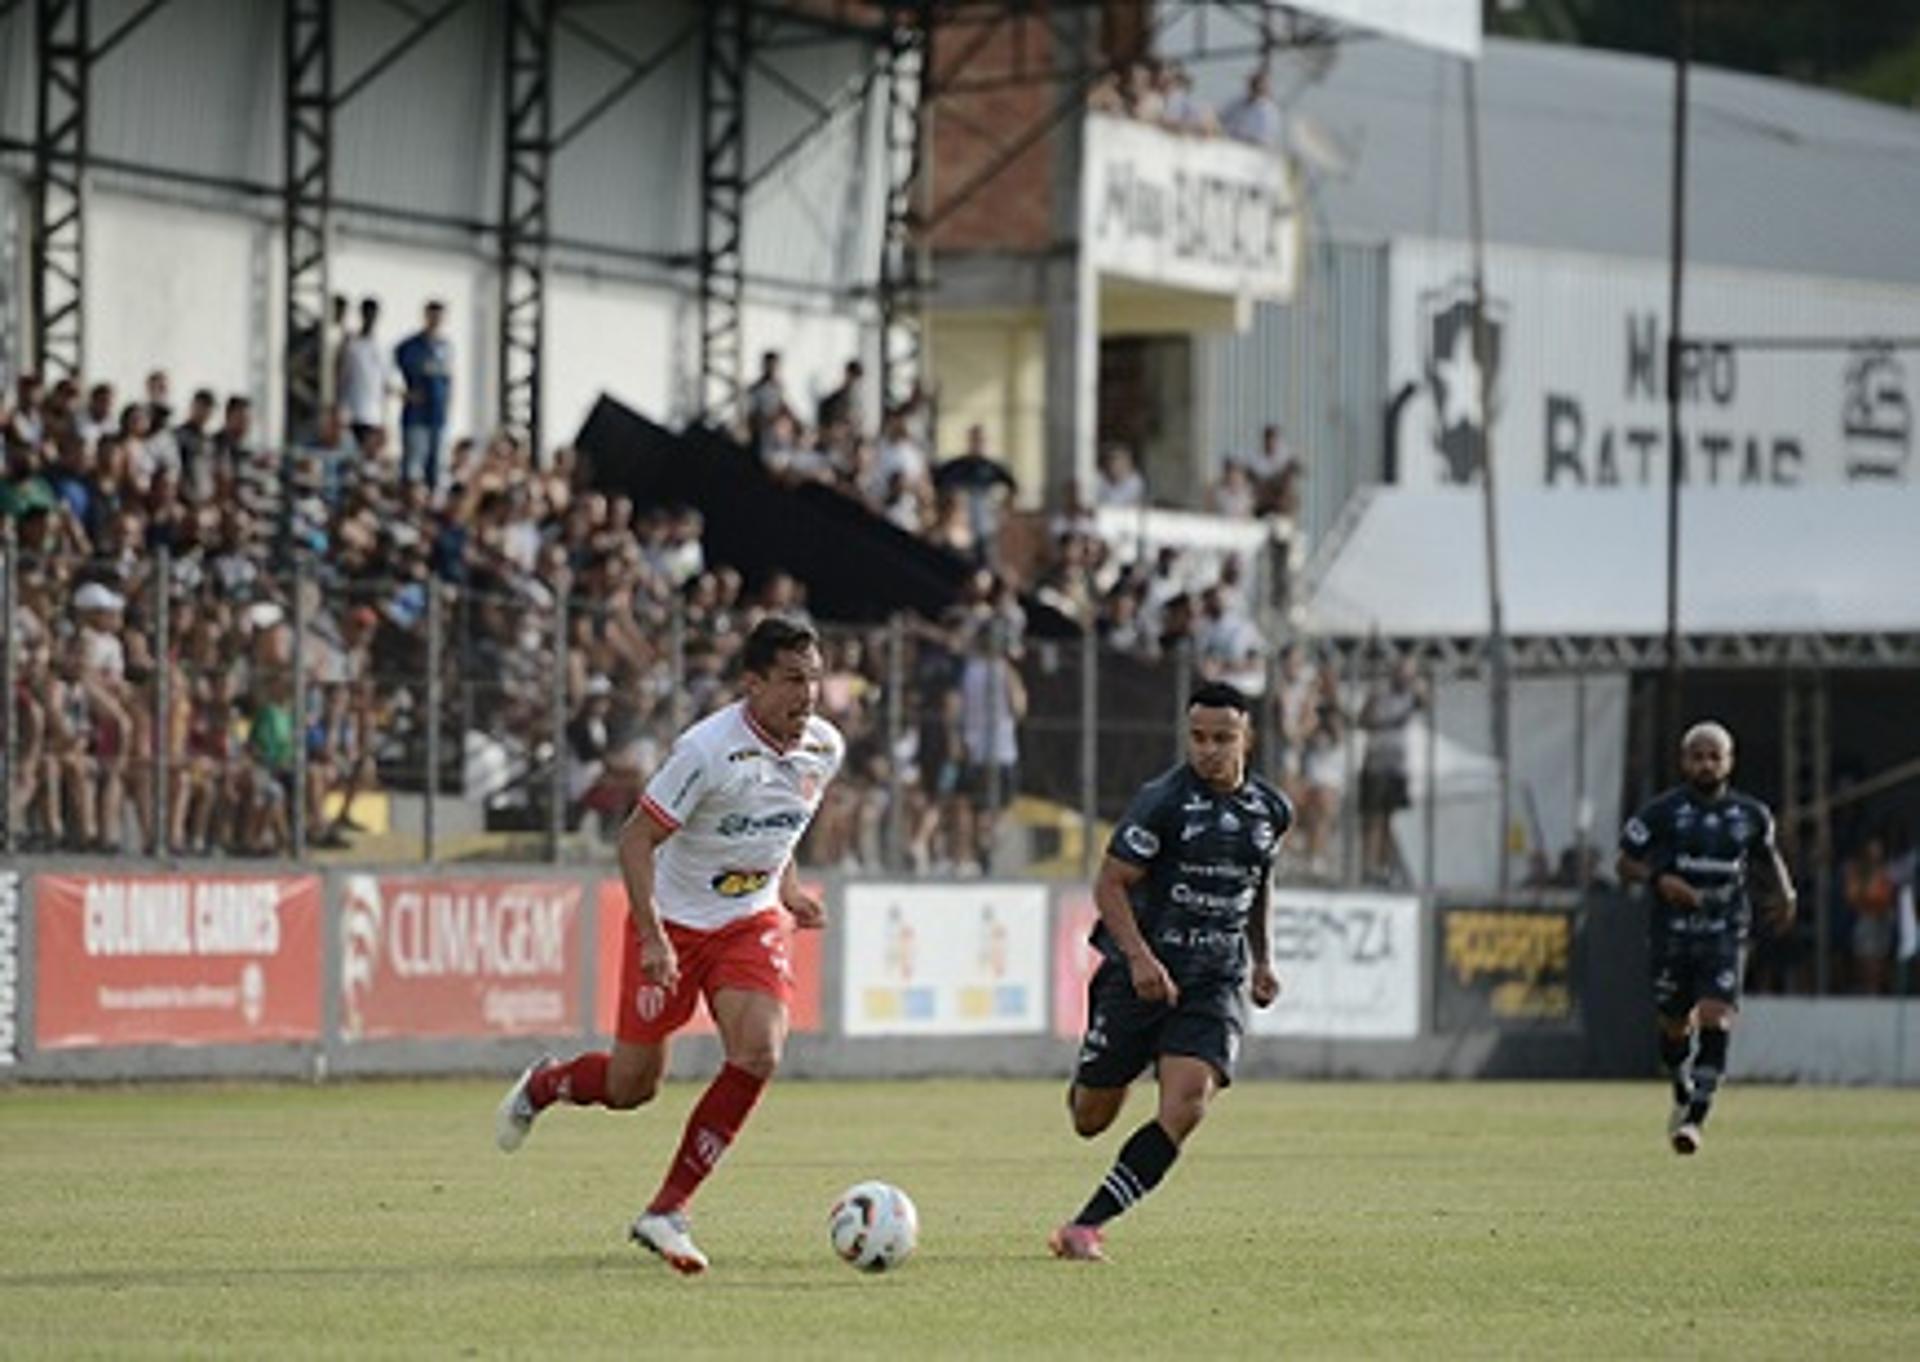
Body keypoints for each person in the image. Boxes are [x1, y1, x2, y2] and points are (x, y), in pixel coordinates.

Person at [494, 616, 844, 1275]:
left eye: (816, 681)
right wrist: (652, 936)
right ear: (753, 683)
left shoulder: (823, 748)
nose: (808, 697)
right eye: (793, 681)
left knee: (761, 1051)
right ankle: (547, 1084)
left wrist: (788, 889)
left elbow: (783, 822)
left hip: (750, 922)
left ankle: (667, 1210)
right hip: (673, 929)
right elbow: (634, 840)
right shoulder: (705, 751)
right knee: (632, 1087)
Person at [1051, 680, 1291, 1262]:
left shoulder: (1270, 811)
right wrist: (1139, 958)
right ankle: (1106, 1070)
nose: (1208, 750)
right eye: (1198, 737)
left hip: (1212, 981)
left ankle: (1084, 1226)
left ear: (1247, 739)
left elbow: (1256, 884)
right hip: (1139, 977)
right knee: (1090, 1118)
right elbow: (1110, 885)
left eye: (1222, 739)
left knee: (1186, 1104)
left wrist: (1262, 958)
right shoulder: (1162, 802)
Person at [1617, 721, 1795, 1156]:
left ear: (1729, 761)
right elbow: (1624, 862)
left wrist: (1786, 893)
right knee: (1674, 1026)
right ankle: (1680, 1085)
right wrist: (1660, 880)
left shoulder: (1752, 815)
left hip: (1725, 930)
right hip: (1672, 933)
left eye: (1715, 756)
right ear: (1684, 762)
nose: (1706, 763)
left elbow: (1767, 859)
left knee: (1716, 1015)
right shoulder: (1661, 811)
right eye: (1697, 755)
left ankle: (1695, 1119)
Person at [394, 300, 453, 491]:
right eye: (433, 316)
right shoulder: (410, 346)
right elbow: (389, 374)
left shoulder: (446, 347)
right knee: (414, 464)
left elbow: (449, 379)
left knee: (436, 465)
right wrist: (404, 393)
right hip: (417, 415)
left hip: (438, 415)